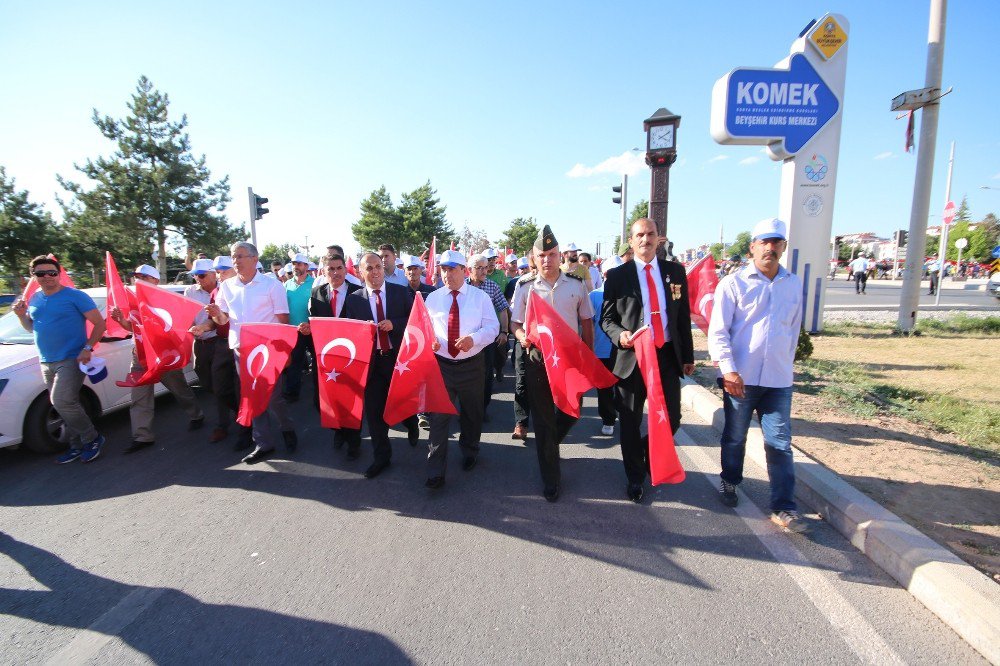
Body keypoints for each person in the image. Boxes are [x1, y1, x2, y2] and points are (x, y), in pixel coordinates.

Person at [708, 218, 807, 533]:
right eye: (764, 242)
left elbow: (793, 329)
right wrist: (728, 370)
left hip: (778, 380)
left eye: (776, 242)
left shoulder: (792, 284)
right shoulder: (734, 284)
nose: (770, 247)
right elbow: (718, 331)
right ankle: (730, 481)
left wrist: (786, 364)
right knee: (735, 437)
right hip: (741, 379)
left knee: (779, 443)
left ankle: (784, 507)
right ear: (752, 247)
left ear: (783, 247)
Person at [600, 219, 695, 503]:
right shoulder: (618, 276)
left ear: (659, 238)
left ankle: (646, 455)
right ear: (631, 241)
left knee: (672, 419)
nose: (645, 239)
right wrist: (622, 336)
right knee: (629, 421)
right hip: (632, 358)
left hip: (665, 356)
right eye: (639, 235)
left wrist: (687, 356)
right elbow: (606, 320)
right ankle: (635, 477)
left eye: (650, 234)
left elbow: (682, 316)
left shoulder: (676, 272)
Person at [510, 226, 594, 502]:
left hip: (569, 359)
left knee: (572, 411)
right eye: (542, 255)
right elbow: (515, 323)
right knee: (544, 419)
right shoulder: (524, 286)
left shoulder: (576, 284)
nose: (547, 259)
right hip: (538, 358)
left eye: (552, 254)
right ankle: (551, 477)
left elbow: (586, 321)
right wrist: (522, 337)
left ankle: (547, 445)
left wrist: (588, 357)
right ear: (534, 258)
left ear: (560, 256)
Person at [208, 242, 298, 464]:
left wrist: (285, 353)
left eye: (240, 256)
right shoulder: (226, 286)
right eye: (233, 256)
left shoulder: (271, 285)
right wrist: (216, 314)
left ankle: (287, 428)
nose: (236, 260)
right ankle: (263, 443)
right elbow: (223, 320)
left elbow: (283, 321)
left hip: (268, 352)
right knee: (252, 396)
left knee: (273, 397)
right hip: (242, 352)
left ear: (255, 259)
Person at [13, 255, 107, 463]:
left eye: (52, 273)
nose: (47, 277)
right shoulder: (35, 298)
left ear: (59, 274)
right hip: (46, 360)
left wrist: (87, 348)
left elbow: (100, 324)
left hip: (72, 358)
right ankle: (76, 445)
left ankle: (92, 438)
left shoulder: (75, 296)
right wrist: (21, 316)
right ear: (33, 276)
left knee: (61, 401)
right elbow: (32, 328)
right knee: (66, 404)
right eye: (41, 273)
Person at [422, 250, 499, 489]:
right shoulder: (433, 298)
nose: (447, 274)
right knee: (438, 417)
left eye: (452, 269)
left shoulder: (479, 297)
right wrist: (431, 341)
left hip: (472, 365)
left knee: (472, 413)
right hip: (442, 366)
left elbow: (493, 327)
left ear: (464, 271)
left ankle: (470, 449)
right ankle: (436, 470)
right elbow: (425, 328)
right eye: (443, 269)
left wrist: (473, 339)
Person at [110, 265, 204, 454]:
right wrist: (120, 320)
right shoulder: (132, 299)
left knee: (179, 389)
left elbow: (179, 326)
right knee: (139, 397)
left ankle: (196, 415)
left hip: (163, 355)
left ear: (155, 280)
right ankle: (142, 436)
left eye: (144, 276)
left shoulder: (164, 300)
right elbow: (132, 327)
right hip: (140, 355)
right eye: (136, 276)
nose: (138, 279)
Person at [341, 252, 420, 478]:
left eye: (378, 266)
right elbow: (349, 333)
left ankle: (411, 423)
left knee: (404, 404)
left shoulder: (400, 292)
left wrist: (394, 324)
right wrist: (361, 331)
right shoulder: (354, 299)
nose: (375, 271)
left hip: (398, 361)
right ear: (360, 272)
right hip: (372, 364)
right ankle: (381, 457)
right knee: (375, 414)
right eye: (369, 268)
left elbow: (415, 320)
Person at [300, 254, 363, 457]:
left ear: (345, 270)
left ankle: (353, 441)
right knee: (323, 401)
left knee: (350, 400)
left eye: (339, 268)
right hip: (326, 356)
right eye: (331, 269)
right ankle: (339, 430)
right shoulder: (317, 293)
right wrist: (308, 328)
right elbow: (315, 321)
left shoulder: (358, 293)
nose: (335, 273)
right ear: (324, 272)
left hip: (352, 356)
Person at [184, 258, 231, 443]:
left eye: (202, 275)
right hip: (200, 345)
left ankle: (223, 425)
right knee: (207, 383)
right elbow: (185, 314)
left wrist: (206, 326)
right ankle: (232, 405)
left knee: (220, 384)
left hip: (219, 342)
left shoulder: (225, 289)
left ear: (213, 274)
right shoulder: (190, 291)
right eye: (195, 275)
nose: (198, 278)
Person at [468, 255, 510, 419]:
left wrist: (504, 331)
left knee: (486, 375)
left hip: (487, 339)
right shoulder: (462, 286)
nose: (484, 271)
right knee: (467, 375)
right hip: (467, 339)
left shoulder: (492, 286)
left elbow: (503, 309)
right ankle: (468, 409)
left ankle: (482, 408)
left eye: (485, 267)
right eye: (479, 267)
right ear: (469, 270)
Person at [590, 256, 624, 436]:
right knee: (604, 388)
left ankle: (620, 412)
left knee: (622, 387)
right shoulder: (594, 296)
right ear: (604, 274)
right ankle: (608, 419)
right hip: (601, 351)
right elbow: (587, 324)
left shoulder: (630, 294)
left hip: (624, 352)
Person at [282, 252, 315, 403]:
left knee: (317, 360)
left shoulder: (315, 283)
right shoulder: (286, 285)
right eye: (294, 264)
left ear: (306, 266)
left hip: (312, 329)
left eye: (299, 264)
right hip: (294, 330)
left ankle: (322, 390)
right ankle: (292, 392)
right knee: (295, 362)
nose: (296, 266)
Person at [509, 253, 534, 441]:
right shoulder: (523, 283)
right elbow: (515, 317)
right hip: (525, 341)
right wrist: (521, 335)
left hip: (551, 345)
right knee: (522, 382)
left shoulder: (563, 283)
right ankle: (521, 423)